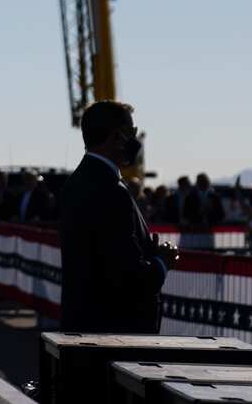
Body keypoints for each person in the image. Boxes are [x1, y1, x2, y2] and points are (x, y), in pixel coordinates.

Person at [59, 101, 178, 333]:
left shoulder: (75, 183)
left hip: (82, 325)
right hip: (115, 332)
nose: (135, 140)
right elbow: (126, 277)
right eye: (132, 132)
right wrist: (163, 262)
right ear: (116, 136)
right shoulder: (111, 190)